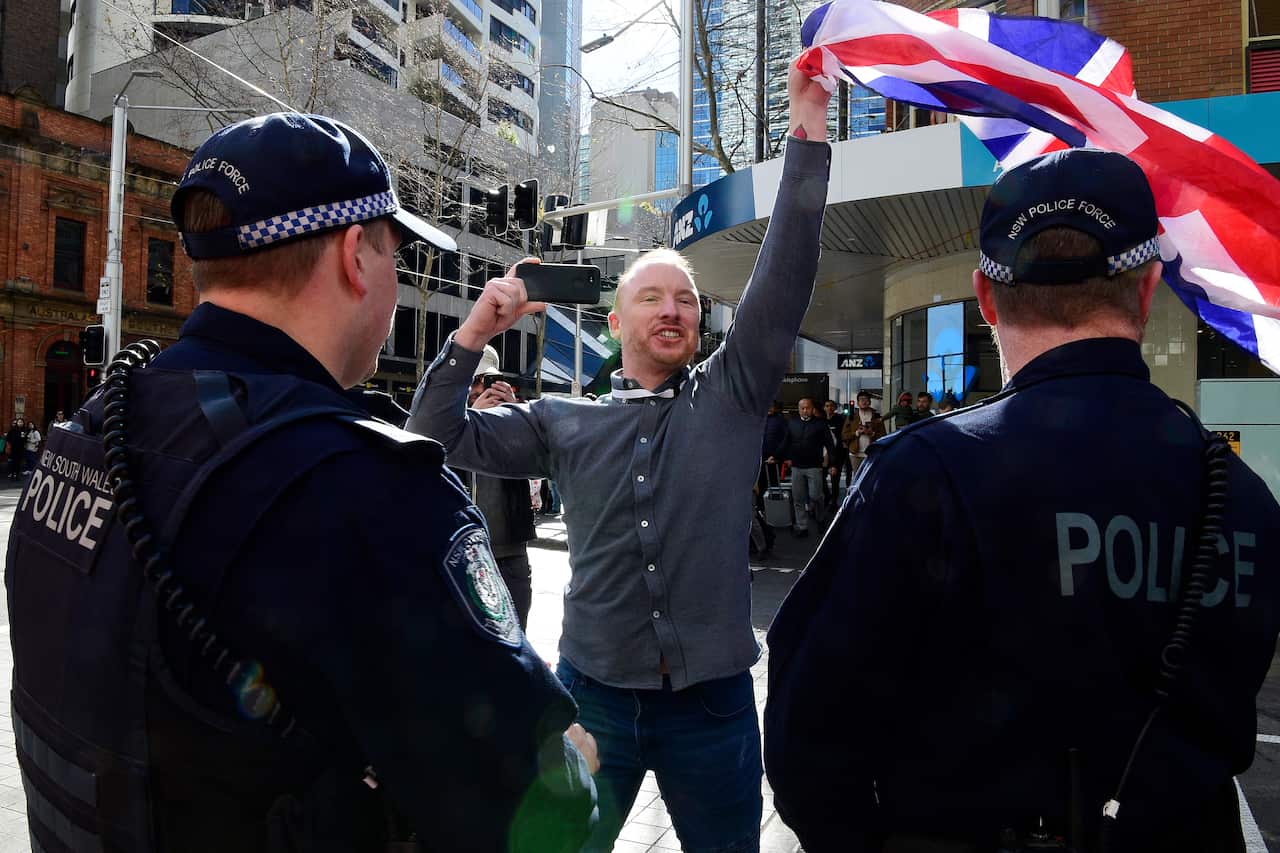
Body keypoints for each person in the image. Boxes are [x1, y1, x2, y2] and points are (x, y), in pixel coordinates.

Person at [6, 112, 597, 853]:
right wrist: (572, 758)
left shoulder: (92, 426)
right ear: (356, 255)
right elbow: (548, 817)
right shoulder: (368, 489)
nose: (393, 277)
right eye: (396, 253)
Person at [764, 148, 1280, 853]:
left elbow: (806, 739)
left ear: (984, 295)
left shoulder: (921, 475)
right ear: (1149, 284)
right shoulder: (1243, 496)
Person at [409, 65, 832, 853]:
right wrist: (472, 334)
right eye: (653, 296)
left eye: (686, 300)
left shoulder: (730, 396)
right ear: (615, 320)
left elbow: (787, 273)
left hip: (715, 707)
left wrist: (806, 134)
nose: (673, 308)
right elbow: (434, 438)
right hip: (589, 703)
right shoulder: (559, 419)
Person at [465, 345, 538, 629]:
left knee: (516, 639)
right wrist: (470, 420)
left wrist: (517, 416)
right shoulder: (447, 421)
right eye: (473, 380)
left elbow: (543, 462)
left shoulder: (515, 418)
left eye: (484, 380)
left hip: (511, 555)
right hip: (465, 553)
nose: (478, 388)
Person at [771, 397, 834, 538]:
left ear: (812, 409)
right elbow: (785, 442)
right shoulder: (792, 423)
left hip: (814, 466)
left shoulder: (820, 424)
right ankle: (802, 526)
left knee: (816, 496)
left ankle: (820, 518)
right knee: (798, 498)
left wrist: (833, 464)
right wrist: (775, 456)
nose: (805, 410)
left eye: (807, 408)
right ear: (798, 409)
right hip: (797, 466)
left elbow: (830, 444)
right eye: (802, 408)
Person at [841, 390, 885, 473]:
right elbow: (844, 435)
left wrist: (871, 433)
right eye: (861, 399)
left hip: (871, 454)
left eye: (866, 399)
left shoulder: (876, 416)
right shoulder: (852, 417)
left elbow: (883, 436)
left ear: (870, 402)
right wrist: (857, 433)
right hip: (855, 453)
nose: (864, 402)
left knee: (870, 477)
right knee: (857, 477)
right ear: (857, 403)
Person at [821, 399, 849, 501]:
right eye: (827, 406)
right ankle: (827, 497)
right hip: (823, 453)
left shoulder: (840, 420)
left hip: (837, 453)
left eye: (831, 406)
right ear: (824, 408)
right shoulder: (821, 420)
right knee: (821, 477)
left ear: (835, 408)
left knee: (835, 479)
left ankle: (834, 501)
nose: (829, 408)